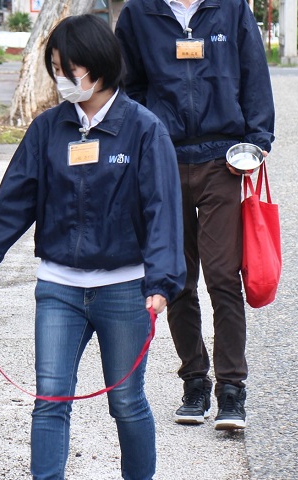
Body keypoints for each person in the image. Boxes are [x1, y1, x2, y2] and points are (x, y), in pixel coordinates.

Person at [0, 15, 185, 480]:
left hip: (125, 288)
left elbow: (163, 210)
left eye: (69, 67)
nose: (62, 77)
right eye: (54, 68)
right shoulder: (47, 129)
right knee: (50, 397)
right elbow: (13, 201)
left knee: (126, 399)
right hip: (57, 286)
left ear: (99, 67)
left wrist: (161, 283)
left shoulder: (144, 129)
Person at [115, 0, 276, 430]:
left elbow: (253, 73)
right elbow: (127, 86)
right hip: (163, 158)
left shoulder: (231, 9)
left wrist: (258, 140)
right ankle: (194, 381)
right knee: (177, 279)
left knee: (223, 276)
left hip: (221, 160)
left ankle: (231, 389)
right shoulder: (139, 13)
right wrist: (138, 141)